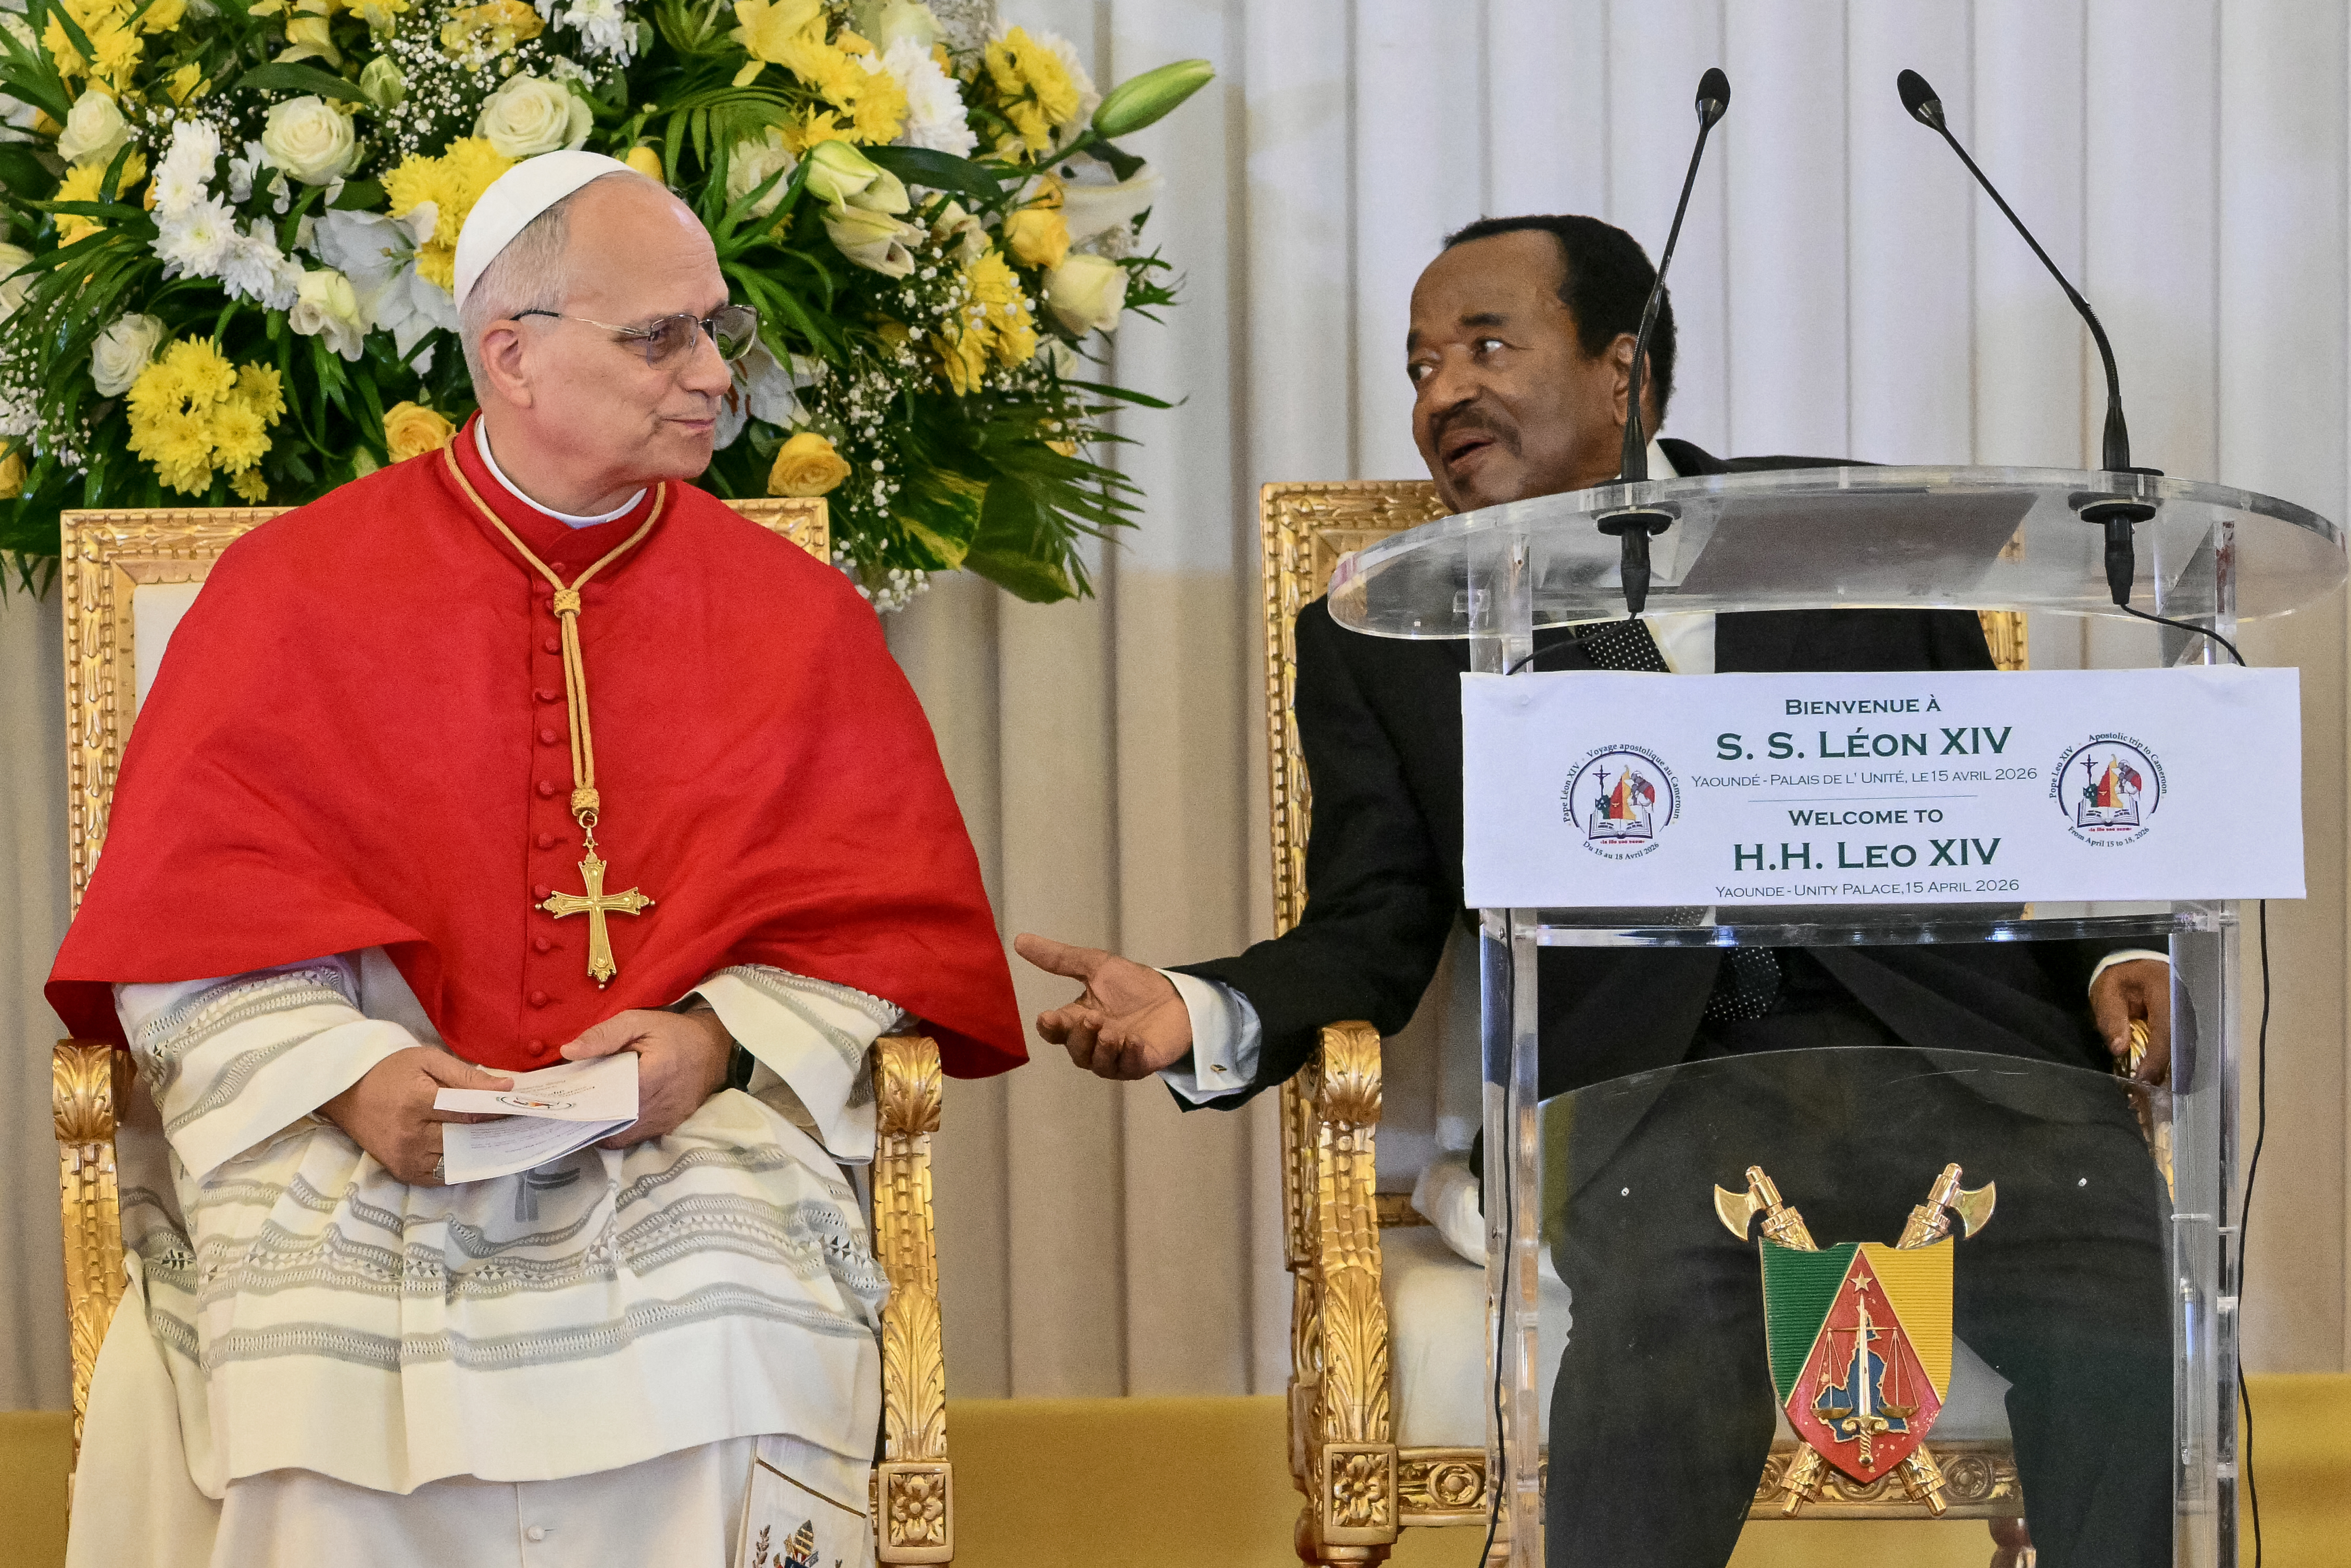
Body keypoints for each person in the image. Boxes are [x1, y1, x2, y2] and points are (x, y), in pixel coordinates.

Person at [1016, 215, 2172, 1566]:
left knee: (2126, 1307)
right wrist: (1198, 1007)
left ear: (1620, 373)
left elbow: (1997, 789)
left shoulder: (1835, 529)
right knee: (1665, 1328)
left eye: (1485, 345)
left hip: (1951, 1055)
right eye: (1418, 364)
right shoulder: (1385, 626)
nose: (1440, 391)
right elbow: (1372, 927)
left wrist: (2109, 958)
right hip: (1660, 1081)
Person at [47, 152, 1023, 1568]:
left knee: (745, 1326)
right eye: (658, 336)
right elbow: (194, 929)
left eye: (716, 329)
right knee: (297, 1396)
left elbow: (879, 929)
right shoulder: (290, 595)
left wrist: (713, 1047)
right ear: (511, 355)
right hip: (364, 1125)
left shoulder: (793, 617)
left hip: (679, 1136)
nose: (710, 374)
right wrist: (359, 1077)